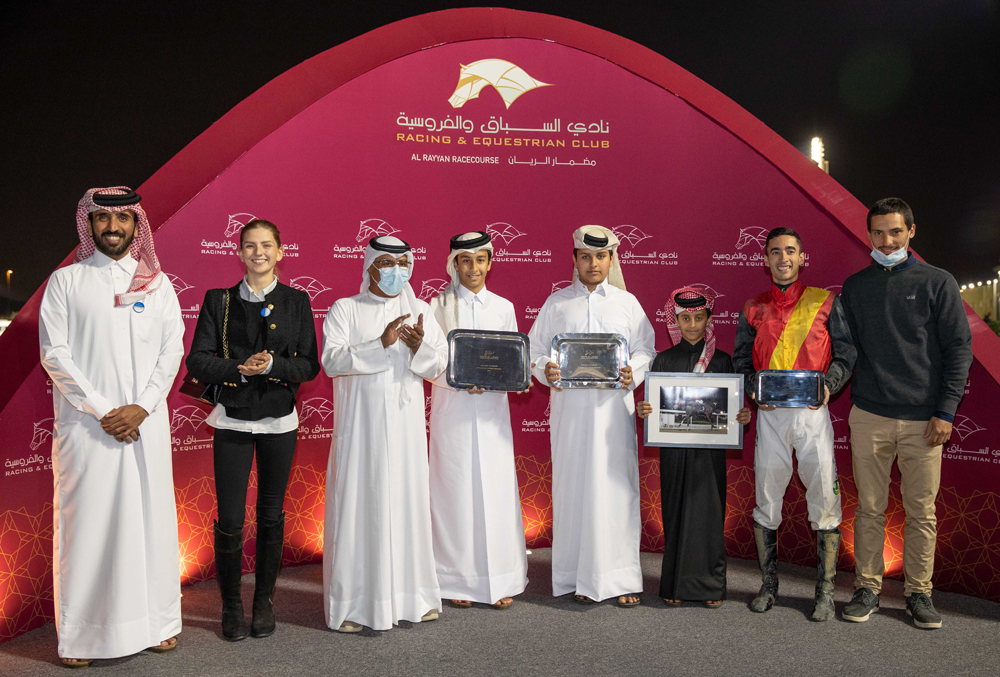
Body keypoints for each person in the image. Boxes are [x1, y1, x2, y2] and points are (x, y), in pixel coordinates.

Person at [38, 187, 185, 667]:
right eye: (102, 219)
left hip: (146, 426)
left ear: (137, 226)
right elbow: (55, 355)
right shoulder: (65, 282)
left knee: (151, 523)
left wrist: (140, 407)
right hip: (88, 430)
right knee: (90, 529)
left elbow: (171, 353)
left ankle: (157, 623)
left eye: (122, 220)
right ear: (89, 225)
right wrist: (105, 410)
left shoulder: (158, 286)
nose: (113, 228)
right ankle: (81, 637)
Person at [840, 198, 972, 629]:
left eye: (895, 232)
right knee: (870, 509)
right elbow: (846, 350)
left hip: (925, 421)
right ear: (869, 235)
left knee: (922, 513)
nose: (887, 240)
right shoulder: (855, 286)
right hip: (870, 415)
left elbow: (958, 350)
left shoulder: (938, 282)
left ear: (911, 231)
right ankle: (867, 588)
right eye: (878, 233)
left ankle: (919, 593)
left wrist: (945, 412)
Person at [185, 219, 320, 641]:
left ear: (281, 252)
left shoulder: (298, 301)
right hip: (232, 420)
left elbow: (310, 364)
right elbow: (198, 361)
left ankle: (263, 602)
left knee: (270, 515)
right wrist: (238, 370)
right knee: (229, 517)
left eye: (266, 245)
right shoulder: (218, 301)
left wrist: (276, 366)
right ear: (239, 253)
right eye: (249, 246)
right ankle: (231, 605)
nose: (258, 252)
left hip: (280, 421)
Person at [321, 236, 449, 632]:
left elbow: (440, 364)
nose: (398, 272)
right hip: (361, 434)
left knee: (407, 506)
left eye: (403, 264)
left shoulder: (421, 310)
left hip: (406, 430)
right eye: (388, 264)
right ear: (370, 267)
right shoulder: (346, 309)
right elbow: (331, 361)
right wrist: (382, 343)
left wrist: (418, 347)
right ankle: (356, 606)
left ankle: (414, 597)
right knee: (362, 508)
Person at [527, 225, 656, 607]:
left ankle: (619, 579)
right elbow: (535, 351)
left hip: (614, 415)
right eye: (586, 256)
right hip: (570, 416)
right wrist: (545, 368)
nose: (593, 263)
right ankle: (575, 577)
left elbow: (646, 349)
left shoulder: (626, 303)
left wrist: (635, 370)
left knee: (616, 492)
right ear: (575, 260)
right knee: (575, 490)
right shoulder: (556, 304)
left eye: (601, 257)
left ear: (611, 260)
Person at [733, 227, 856, 621]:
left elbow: (846, 354)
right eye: (775, 252)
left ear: (802, 257)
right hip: (769, 417)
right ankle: (768, 587)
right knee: (767, 500)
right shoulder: (752, 306)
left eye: (790, 251)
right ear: (765, 260)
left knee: (824, 498)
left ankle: (824, 593)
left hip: (812, 416)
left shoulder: (825, 302)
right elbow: (739, 362)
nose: (783, 258)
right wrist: (753, 388)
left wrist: (830, 386)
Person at [428, 231, 528, 610]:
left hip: (491, 415)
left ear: (490, 262)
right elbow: (427, 362)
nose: (473, 268)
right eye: (465, 261)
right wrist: (455, 378)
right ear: (454, 264)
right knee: (454, 495)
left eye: (480, 260)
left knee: (496, 494)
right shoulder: (436, 306)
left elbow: (512, 360)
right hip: (452, 413)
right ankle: (456, 581)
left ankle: (500, 580)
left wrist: (497, 379)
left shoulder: (503, 306)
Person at [636, 287, 751, 608]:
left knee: (709, 516)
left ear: (709, 319)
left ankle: (711, 587)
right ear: (676, 320)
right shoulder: (663, 359)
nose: (691, 325)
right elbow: (654, 409)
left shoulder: (723, 361)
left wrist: (741, 416)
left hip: (710, 455)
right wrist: (646, 411)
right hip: (673, 453)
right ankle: (673, 585)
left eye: (698, 318)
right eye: (685, 318)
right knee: (675, 513)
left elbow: (732, 411)